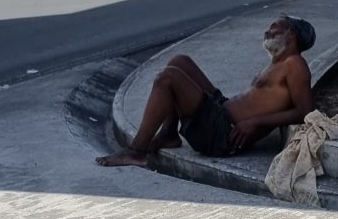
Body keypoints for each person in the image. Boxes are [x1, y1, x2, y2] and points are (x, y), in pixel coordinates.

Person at [96, 15, 315, 168]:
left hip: (222, 133)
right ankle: (168, 134)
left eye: (275, 26)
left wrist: (256, 123)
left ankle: (136, 152)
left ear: (291, 35)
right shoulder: (279, 62)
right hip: (221, 112)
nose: (268, 30)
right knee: (179, 61)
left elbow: (305, 111)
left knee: (168, 77)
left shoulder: (295, 64)